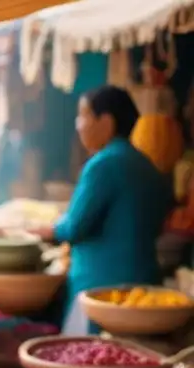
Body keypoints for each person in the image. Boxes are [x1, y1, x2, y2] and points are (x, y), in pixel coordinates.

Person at [31, 85, 172, 334]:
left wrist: (44, 230)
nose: (78, 124)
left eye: (83, 115)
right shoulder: (147, 166)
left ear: (106, 122)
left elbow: (74, 227)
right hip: (145, 288)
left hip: (101, 291)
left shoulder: (103, 164)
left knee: (88, 365)